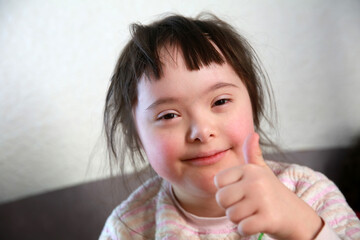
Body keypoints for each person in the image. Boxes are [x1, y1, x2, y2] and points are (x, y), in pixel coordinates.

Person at [99, 13, 360, 239]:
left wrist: (303, 227)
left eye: (220, 101)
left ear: (252, 105)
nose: (201, 131)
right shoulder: (127, 229)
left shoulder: (310, 193)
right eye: (168, 116)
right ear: (137, 138)